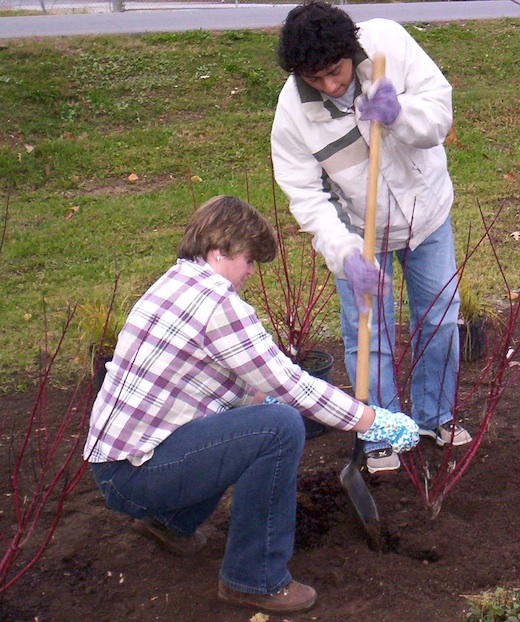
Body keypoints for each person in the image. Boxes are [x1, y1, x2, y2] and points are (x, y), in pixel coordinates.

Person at [83, 195, 419, 615]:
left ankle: (171, 524)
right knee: (277, 428)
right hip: (138, 475)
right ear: (219, 251)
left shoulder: (174, 282)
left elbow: (225, 385)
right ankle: (254, 578)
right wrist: (370, 420)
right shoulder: (217, 304)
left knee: (255, 420)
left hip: (117, 465)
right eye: (247, 260)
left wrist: (266, 397)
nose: (249, 273)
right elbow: (290, 384)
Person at [271, 1, 472, 475]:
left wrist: (399, 113)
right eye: (315, 79)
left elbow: (439, 115)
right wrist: (344, 253)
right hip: (360, 234)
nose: (330, 86)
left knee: (440, 321)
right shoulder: (292, 116)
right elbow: (304, 196)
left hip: (427, 216)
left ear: (350, 49)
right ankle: (380, 429)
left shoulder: (389, 45)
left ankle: (433, 415)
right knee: (369, 336)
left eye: (335, 73)